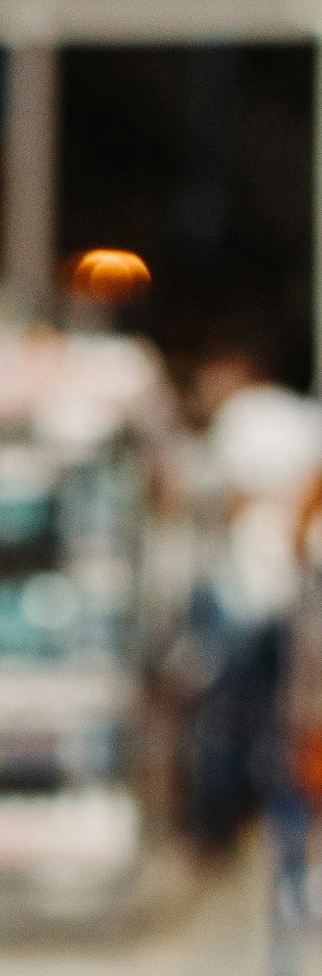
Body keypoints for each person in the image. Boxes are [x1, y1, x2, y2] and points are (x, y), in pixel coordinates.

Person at [184, 335, 322, 856]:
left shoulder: (244, 416)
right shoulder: (300, 418)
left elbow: (229, 496)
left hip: (251, 591)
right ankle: (272, 815)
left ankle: (226, 826)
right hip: (286, 588)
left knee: (232, 715)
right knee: (278, 716)